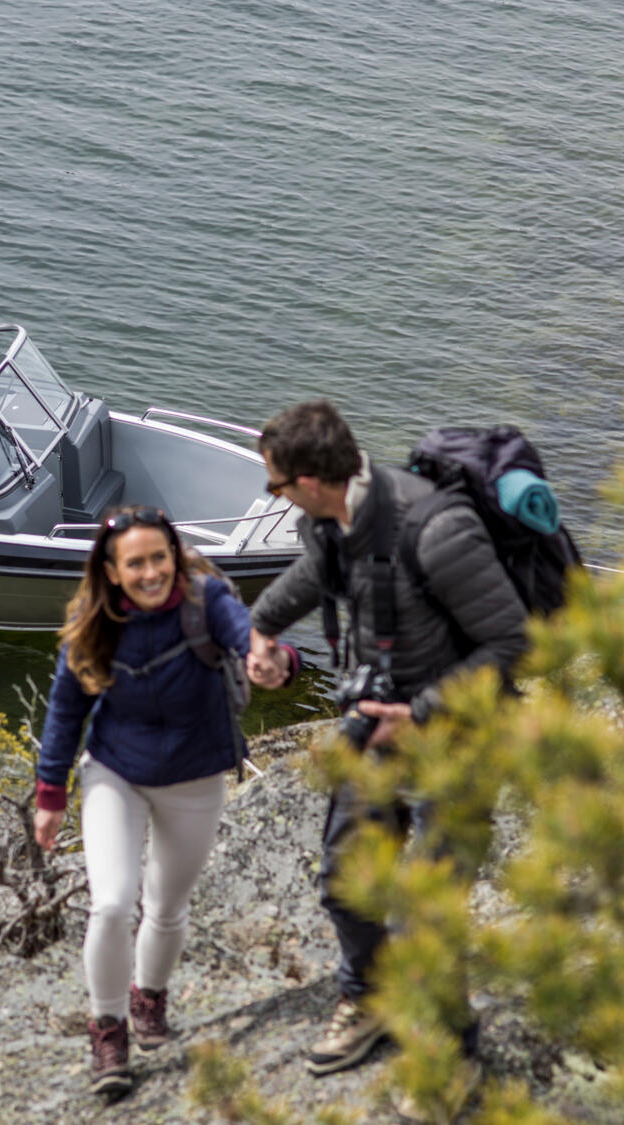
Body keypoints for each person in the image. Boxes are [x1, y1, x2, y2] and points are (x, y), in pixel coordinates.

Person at [245, 399, 530, 1096]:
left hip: (460, 737)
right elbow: (314, 576)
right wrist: (260, 628)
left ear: (309, 479)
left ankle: (450, 1053)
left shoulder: (435, 528)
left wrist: (422, 710)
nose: (275, 497)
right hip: (378, 722)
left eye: (276, 485)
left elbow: (514, 641)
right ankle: (369, 1000)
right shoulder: (330, 522)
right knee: (345, 878)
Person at [32, 505, 276, 1099]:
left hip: (195, 777)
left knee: (166, 909)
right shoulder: (94, 622)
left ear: (175, 557)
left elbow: (246, 635)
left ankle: (149, 998)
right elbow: (66, 709)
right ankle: (108, 1029)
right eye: (135, 563)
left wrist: (272, 659)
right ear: (112, 571)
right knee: (112, 905)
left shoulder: (205, 600)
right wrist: (51, 793)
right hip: (115, 773)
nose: (150, 573)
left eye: (159, 558)